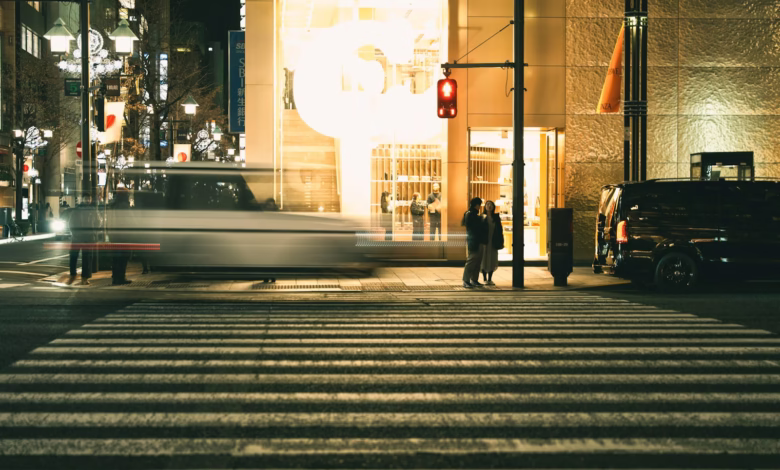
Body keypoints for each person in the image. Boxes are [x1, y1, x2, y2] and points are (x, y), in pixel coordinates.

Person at [67, 193, 100, 286]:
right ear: (83, 199)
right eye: (86, 198)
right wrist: (75, 233)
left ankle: (84, 278)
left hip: (87, 237)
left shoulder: (93, 210)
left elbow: (98, 222)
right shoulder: (77, 210)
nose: (87, 200)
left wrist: (94, 232)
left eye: (89, 198)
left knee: (87, 258)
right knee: (74, 256)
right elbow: (71, 223)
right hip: (78, 237)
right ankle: (73, 275)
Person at [462, 197, 487, 288]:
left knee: (477, 261)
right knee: (472, 260)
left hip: (477, 240)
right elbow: (475, 227)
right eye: (479, 205)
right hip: (474, 240)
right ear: (477, 205)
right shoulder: (470, 214)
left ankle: (474, 280)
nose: (480, 207)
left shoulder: (472, 214)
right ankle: (466, 280)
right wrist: (481, 219)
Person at [110, 189, 132, 285]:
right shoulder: (124, 206)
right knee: (123, 258)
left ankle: (115, 278)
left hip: (114, 235)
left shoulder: (113, 205)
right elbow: (128, 221)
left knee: (116, 258)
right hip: (123, 235)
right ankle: (121, 278)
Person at [480, 200, 504, 285]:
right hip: (484, 241)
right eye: (487, 204)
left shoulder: (496, 217)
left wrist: (501, 240)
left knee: (492, 259)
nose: (489, 206)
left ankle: (490, 278)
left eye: (491, 205)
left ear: (493, 207)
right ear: (485, 206)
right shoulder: (482, 217)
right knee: (484, 259)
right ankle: (484, 278)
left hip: (493, 241)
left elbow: (500, 230)